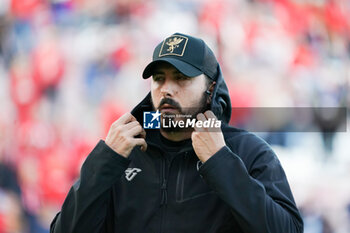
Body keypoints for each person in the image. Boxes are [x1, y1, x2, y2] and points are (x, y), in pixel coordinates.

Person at [50, 33, 303, 233]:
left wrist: (221, 162)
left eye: (181, 78)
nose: (166, 89)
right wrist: (104, 161)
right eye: (159, 79)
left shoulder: (248, 151)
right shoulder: (122, 153)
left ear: (211, 89)